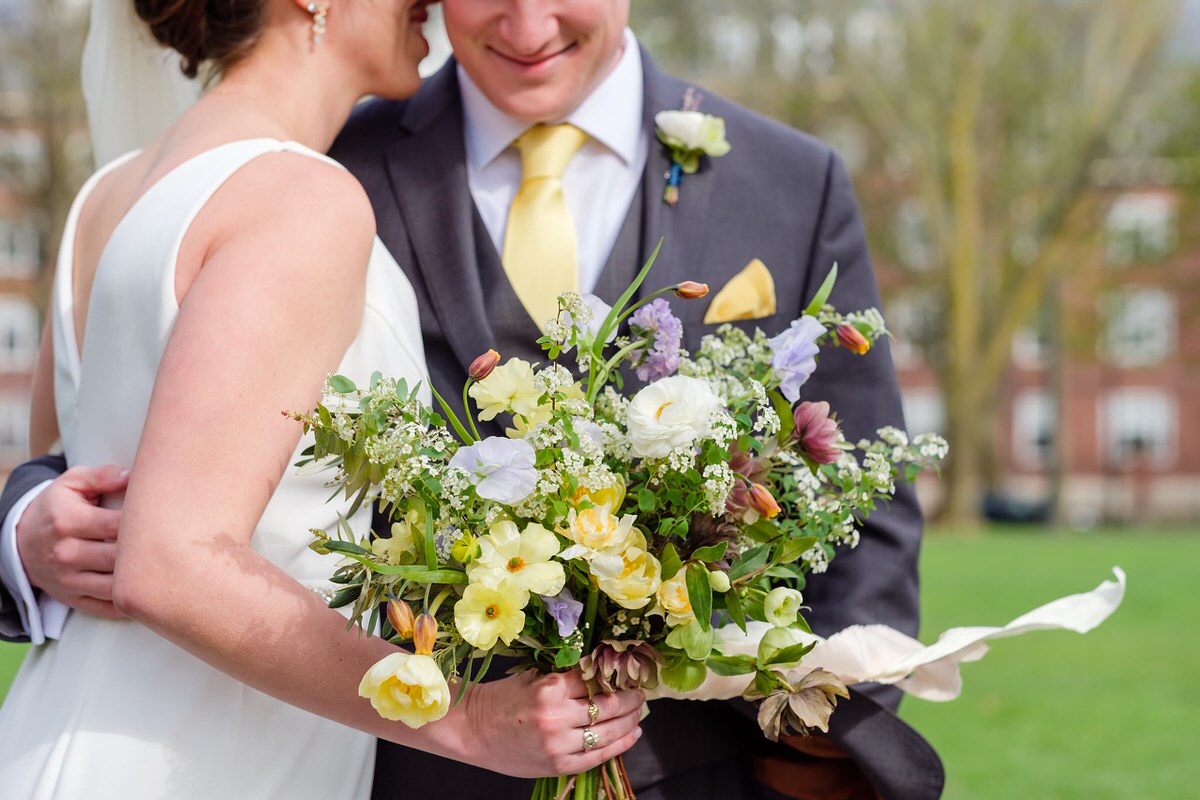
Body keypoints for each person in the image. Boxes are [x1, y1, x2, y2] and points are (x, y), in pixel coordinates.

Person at [1, 1, 944, 798]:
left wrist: (816, 754)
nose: (527, 22)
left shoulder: (792, 181)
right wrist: (29, 523)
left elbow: (863, 506)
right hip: (380, 761)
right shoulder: (325, 168)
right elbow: (156, 504)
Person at [0, 1, 645, 797]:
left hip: (54, 730)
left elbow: (55, 469)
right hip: (202, 764)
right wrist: (466, 718)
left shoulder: (107, 190)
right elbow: (169, 562)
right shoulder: (304, 199)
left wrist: (23, 527)